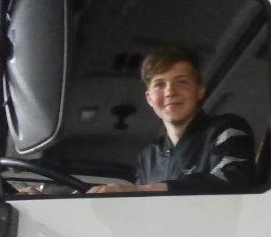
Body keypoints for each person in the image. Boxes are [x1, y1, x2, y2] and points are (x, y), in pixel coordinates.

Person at [88, 43, 256, 194]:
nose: (170, 92)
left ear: (200, 91)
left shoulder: (226, 129)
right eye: (159, 84)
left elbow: (236, 180)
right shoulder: (149, 158)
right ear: (149, 98)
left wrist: (146, 190)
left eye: (181, 82)